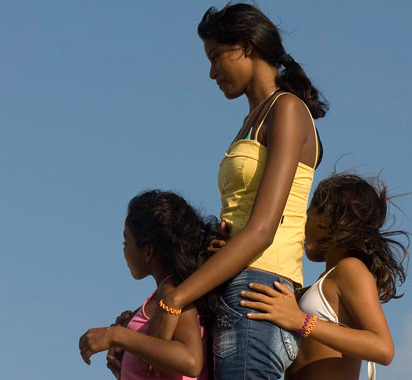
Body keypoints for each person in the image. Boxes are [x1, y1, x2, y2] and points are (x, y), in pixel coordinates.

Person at [143, 3, 329, 379]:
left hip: (259, 289)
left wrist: (178, 298)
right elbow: (246, 220)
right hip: (237, 286)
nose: (211, 72)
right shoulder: (252, 119)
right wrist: (220, 242)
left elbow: (263, 229)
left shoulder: (287, 109)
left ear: (244, 46)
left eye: (215, 57)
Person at [240, 173, 408, 379]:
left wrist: (302, 321)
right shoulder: (325, 281)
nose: (303, 226)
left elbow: (383, 348)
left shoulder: (350, 269)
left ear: (326, 221)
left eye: (308, 216)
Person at [79, 190, 218, 379]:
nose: (124, 251)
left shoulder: (172, 293)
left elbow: (190, 361)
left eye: (126, 242)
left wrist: (117, 335)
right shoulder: (162, 299)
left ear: (148, 252)